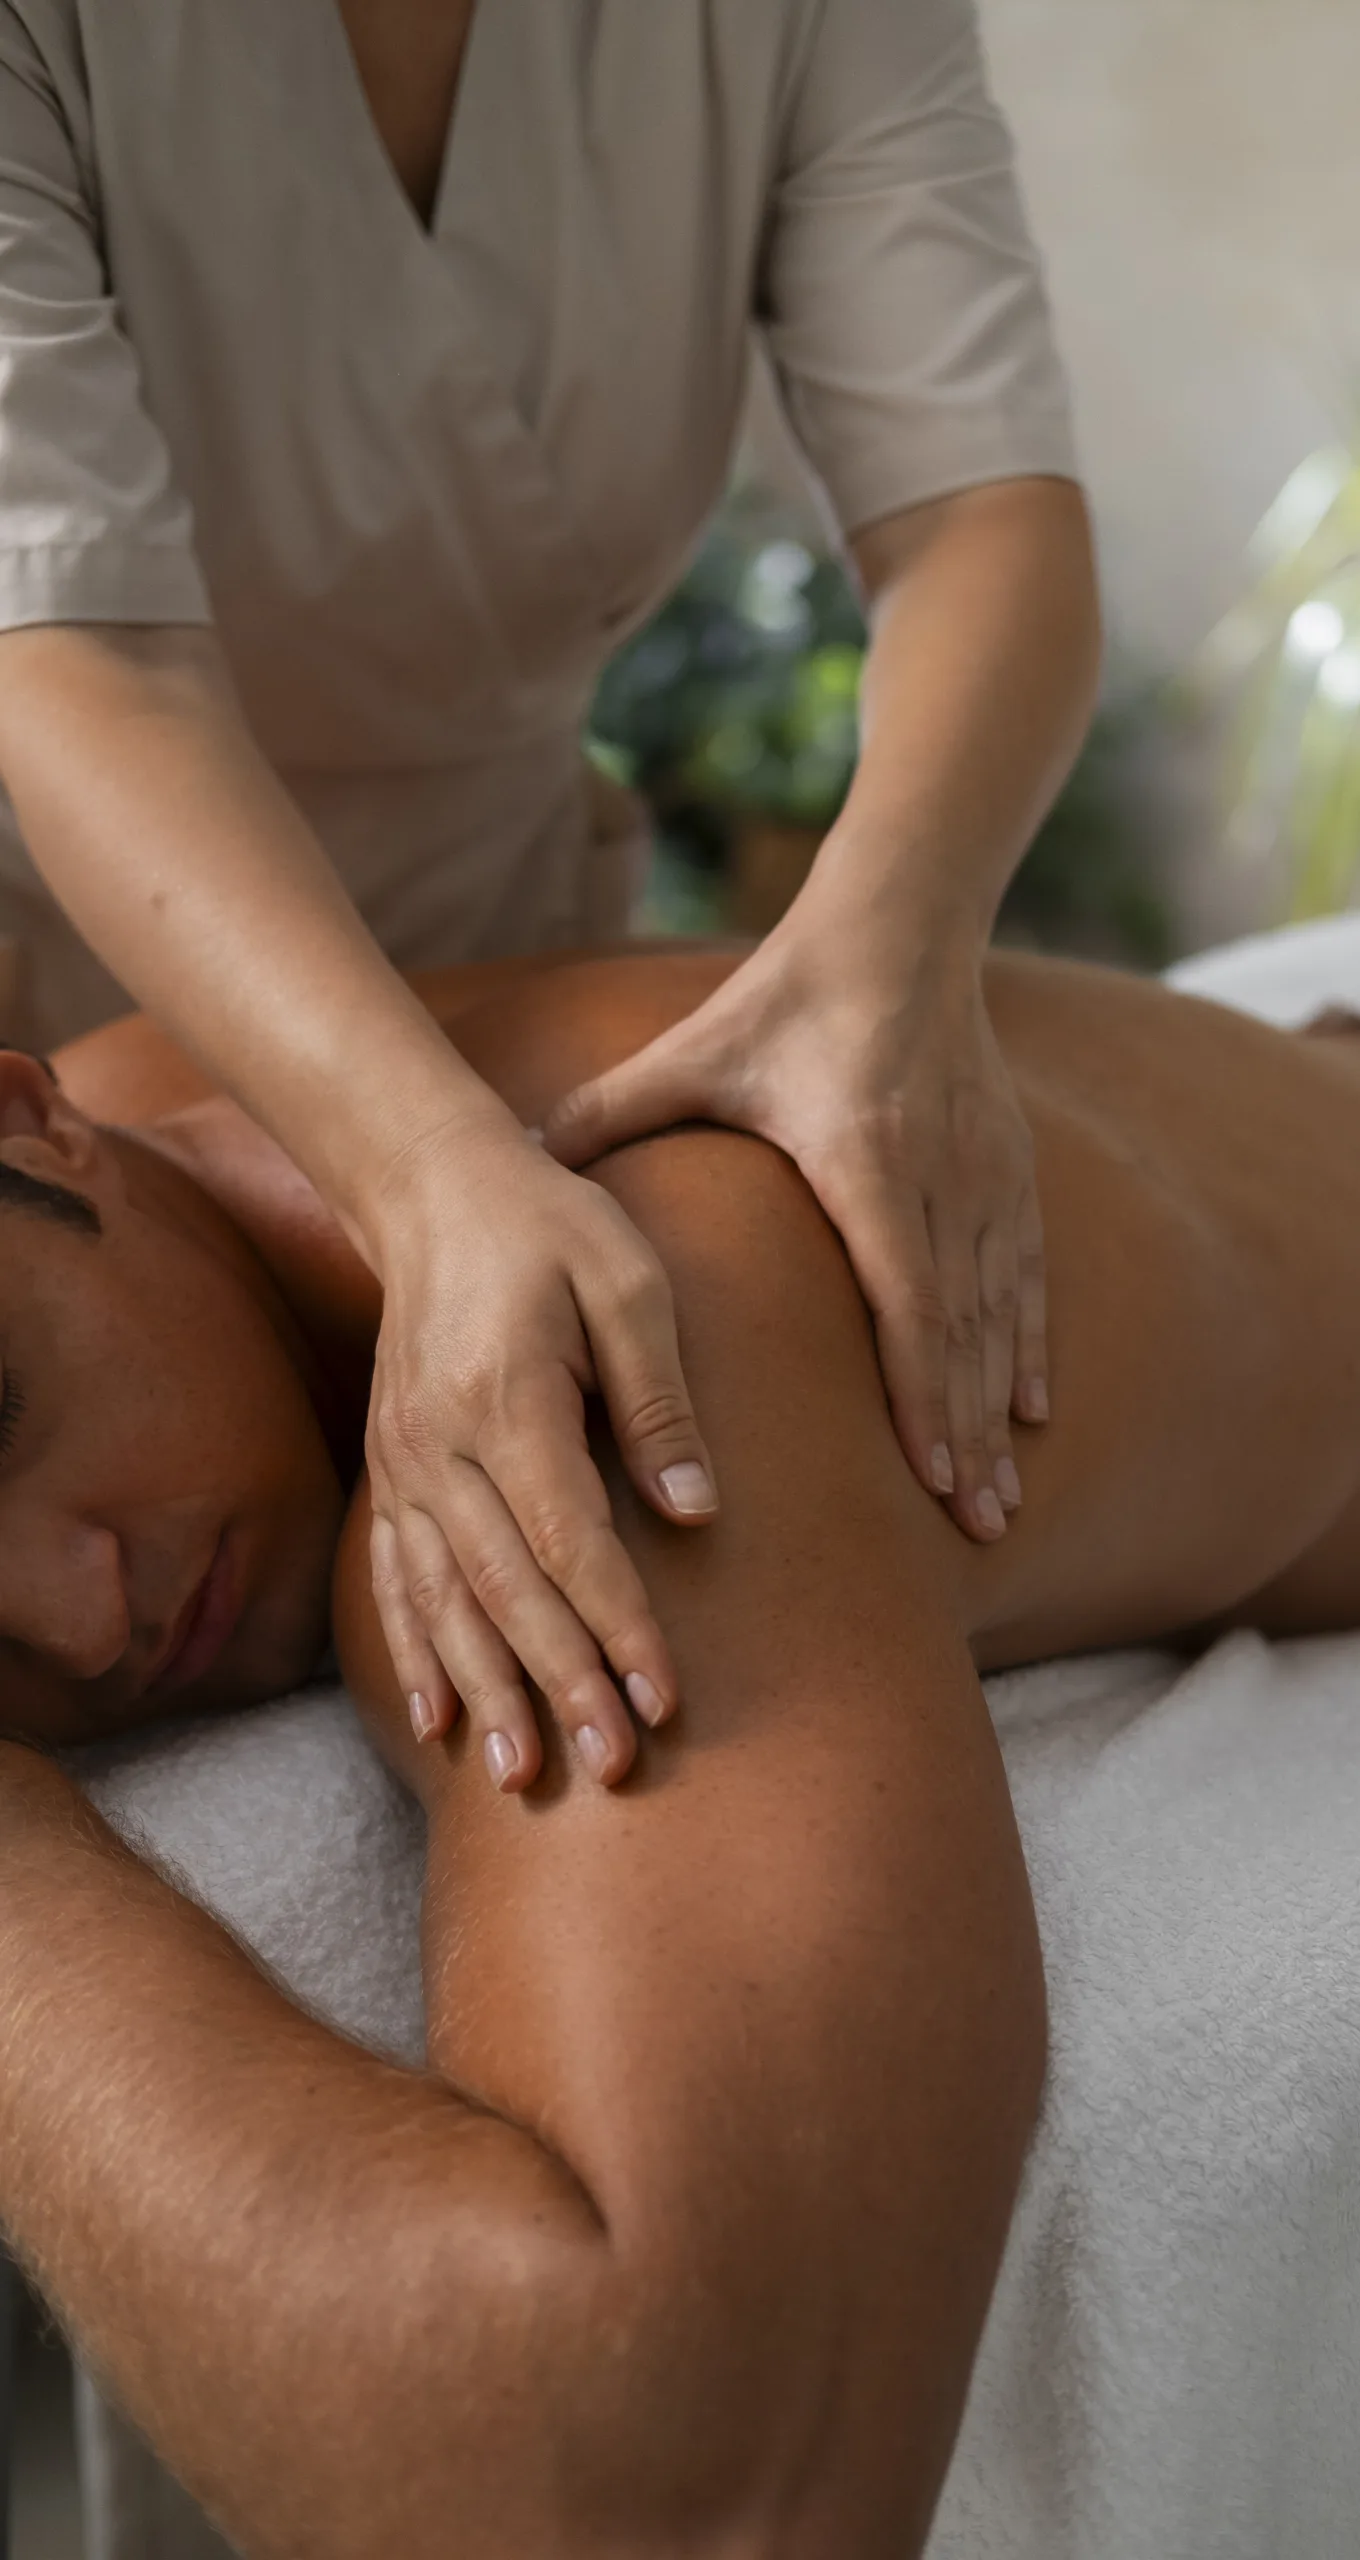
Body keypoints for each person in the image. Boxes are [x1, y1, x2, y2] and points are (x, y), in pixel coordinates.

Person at [0, 922, 1360, 2556]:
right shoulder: (149, 1087)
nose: (74, 1622)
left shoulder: (611, 1383)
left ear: (25, 1116)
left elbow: (669, 2509)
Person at [0, 0, 1101, 1796]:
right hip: (104, 949)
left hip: (517, 912)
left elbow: (982, 512)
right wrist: (425, 1172)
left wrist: (886, 953)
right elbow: (88, 657)